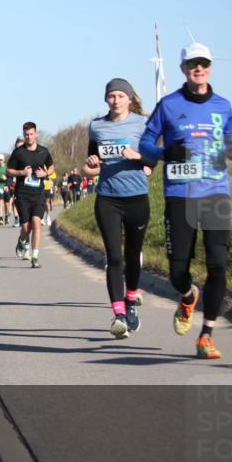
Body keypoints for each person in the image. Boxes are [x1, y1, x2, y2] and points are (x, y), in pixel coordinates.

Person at [140, 42, 232, 359]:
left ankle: (207, 335)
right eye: (192, 64)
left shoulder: (223, 106)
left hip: (215, 194)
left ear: (210, 67)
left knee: (217, 264)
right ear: (183, 69)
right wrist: (164, 152)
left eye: (204, 63)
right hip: (180, 195)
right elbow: (145, 143)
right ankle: (187, 297)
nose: (198, 68)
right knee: (177, 271)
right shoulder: (169, 105)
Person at [83, 78, 154, 339]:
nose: (115, 101)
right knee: (114, 257)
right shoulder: (97, 126)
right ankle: (119, 315)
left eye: (120, 96)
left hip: (136, 197)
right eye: (111, 96)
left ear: (129, 99)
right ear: (106, 99)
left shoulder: (141, 124)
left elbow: (152, 159)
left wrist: (137, 157)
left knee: (133, 255)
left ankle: (132, 298)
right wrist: (91, 161)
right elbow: (93, 161)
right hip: (107, 198)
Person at [7, 122, 55, 268]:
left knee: (36, 222)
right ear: (24, 135)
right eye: (26, 134)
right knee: (26, 227)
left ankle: (34, 256)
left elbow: (52, 167)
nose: (29, 137)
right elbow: (9, 170)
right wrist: (21, 173)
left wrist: (45, 173)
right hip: (22, 194)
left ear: (36, 134)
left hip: (38, 194)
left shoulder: (43, 151)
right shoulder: (18, 152)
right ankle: (22, 241)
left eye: (31, 134)